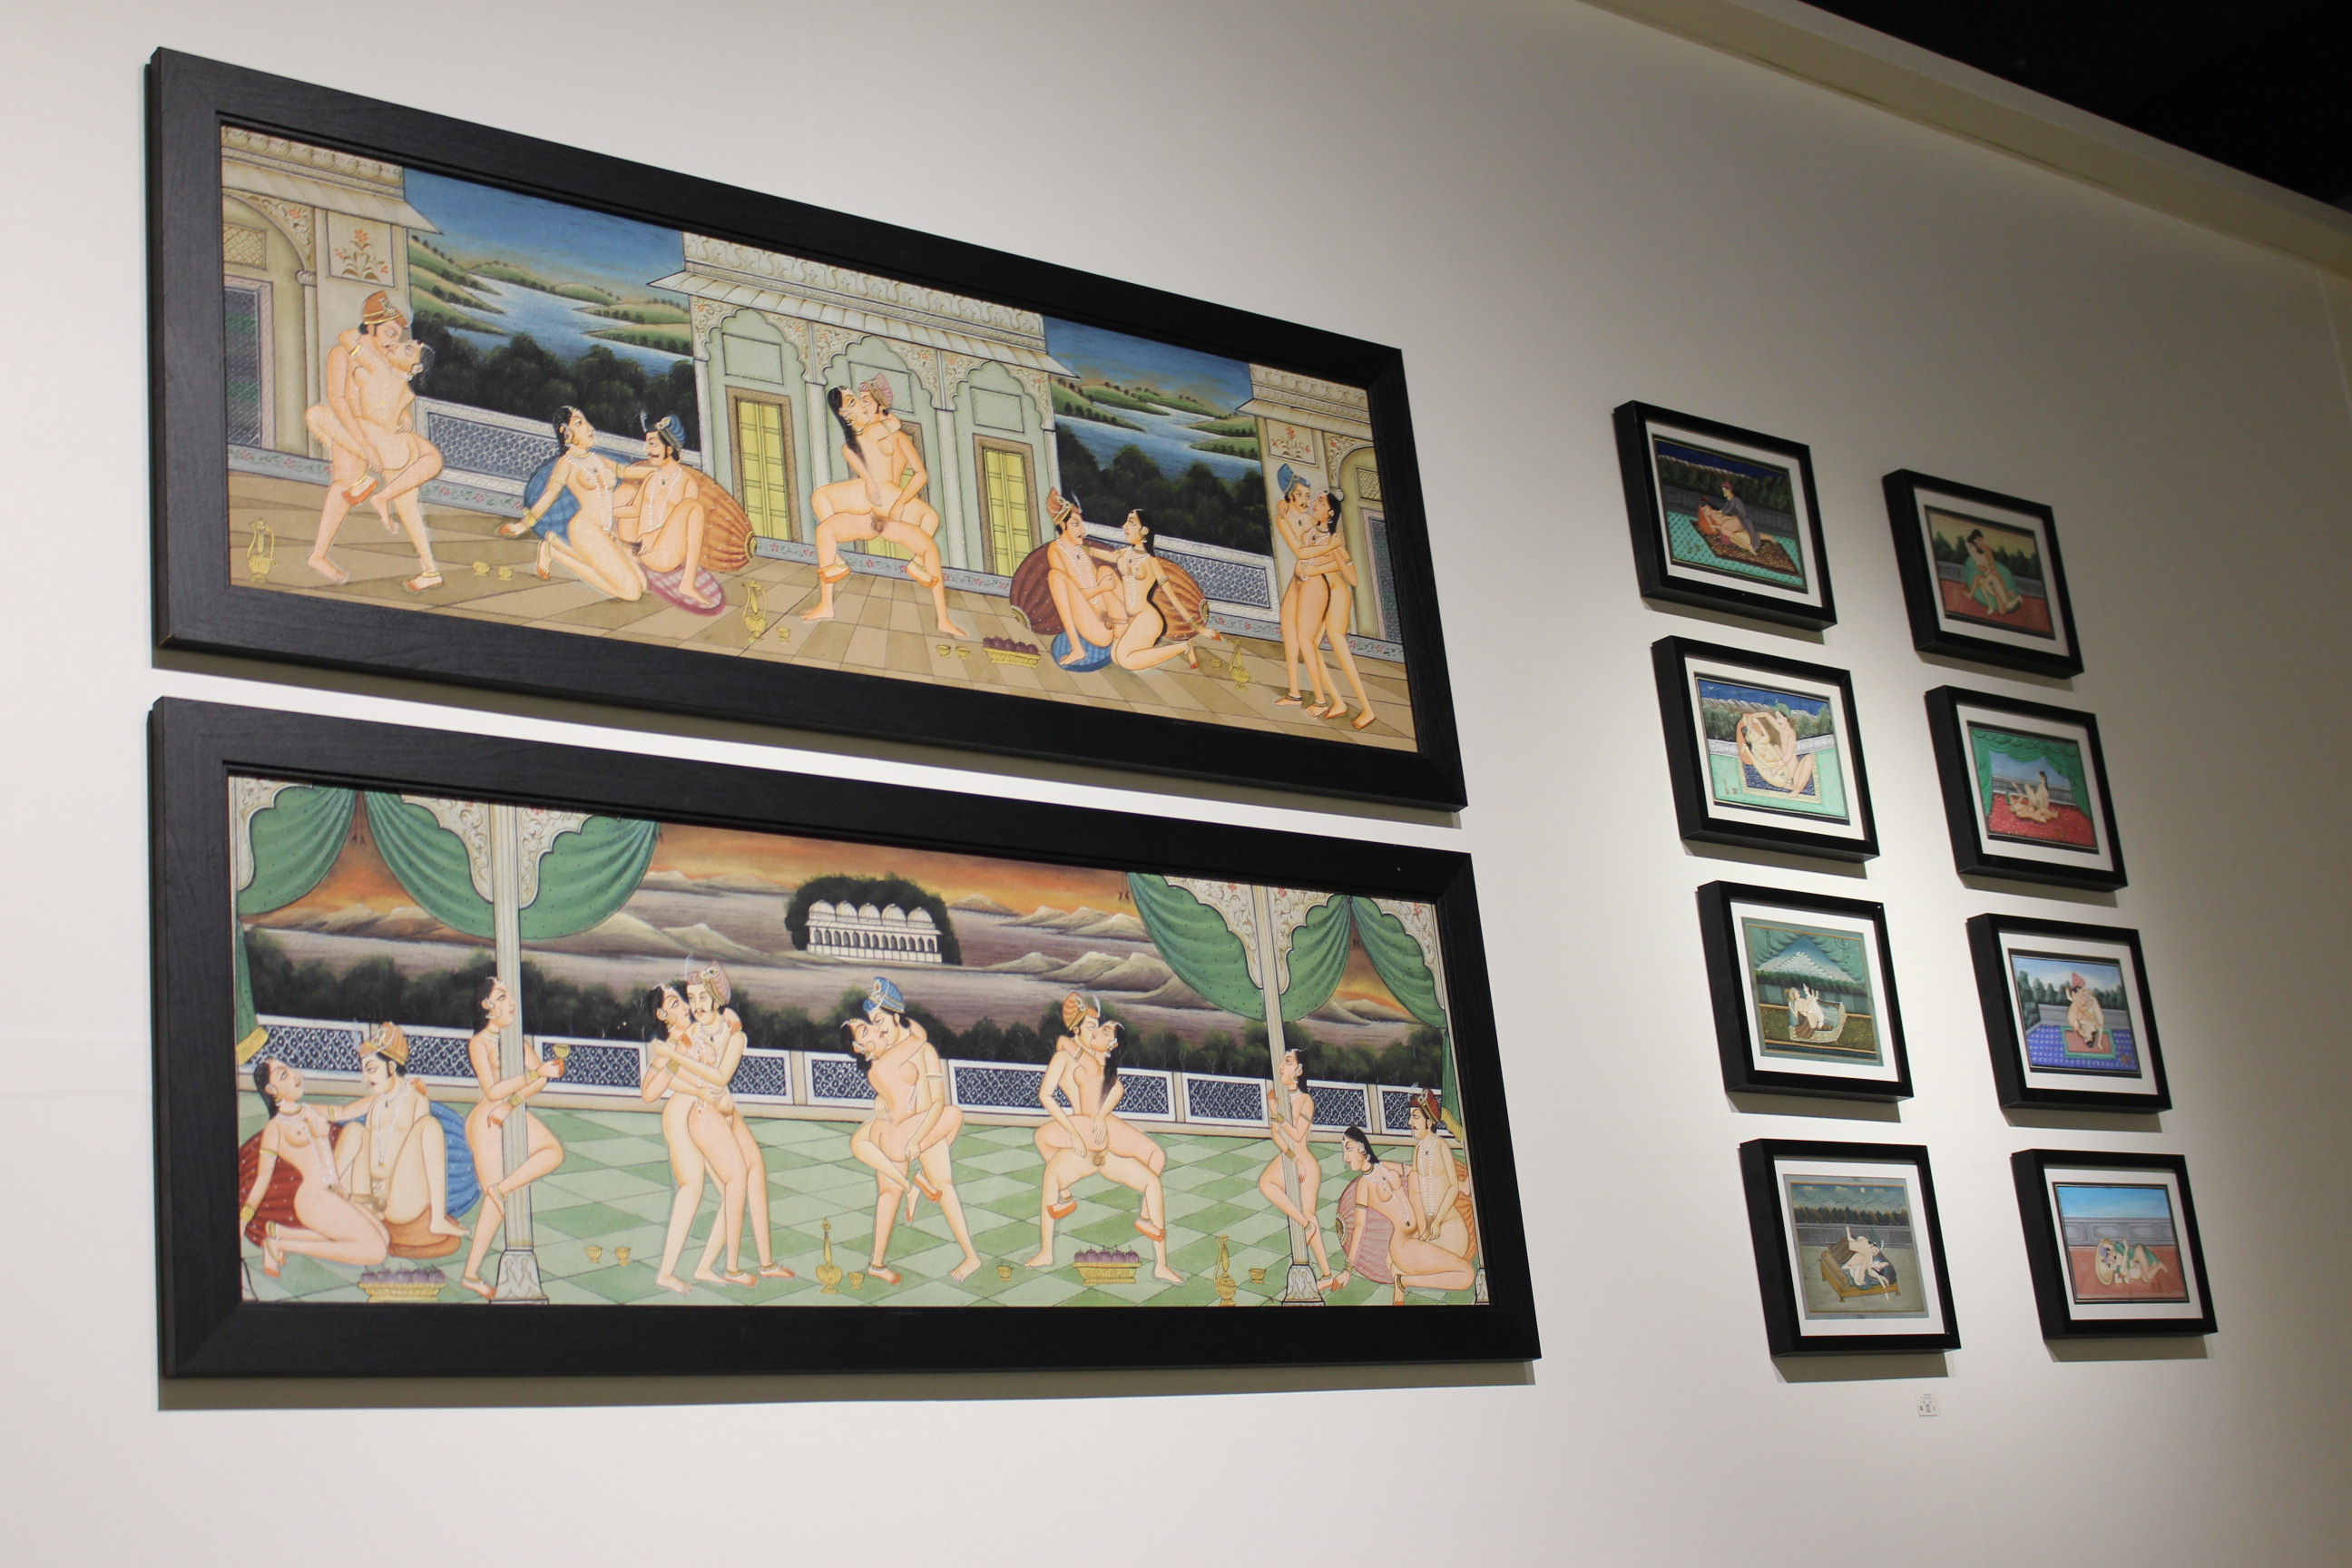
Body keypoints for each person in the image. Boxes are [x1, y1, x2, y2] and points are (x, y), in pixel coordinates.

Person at [1025, 993, 1181, 1284]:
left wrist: (1099, 1116)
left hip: (1101, 1134)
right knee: (1048, 1155)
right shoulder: (1071, 1057)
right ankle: (1050, 1240)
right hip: (1086, 1133)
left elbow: (1116, 1088)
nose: (1096, 1030)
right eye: (1092, 1027)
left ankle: (1157, 1253)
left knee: (1154, 1168)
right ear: (1077, 1030)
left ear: (1110, 1044)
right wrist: (1075, 1133)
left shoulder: (1100, 1062)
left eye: (1101, 1029)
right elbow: (1061, 1050)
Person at [302, 290, 446, 591]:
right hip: (354, 429)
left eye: (399, 337)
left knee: (407, 501)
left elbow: (393, 390)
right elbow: (338, 400)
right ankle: (319, 554)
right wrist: (361, 444)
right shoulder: (344, 354)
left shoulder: (387, 360)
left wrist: (402, 414)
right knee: (343, 486)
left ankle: (430, 568)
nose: (393, 342)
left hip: (384, 436)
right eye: (390, 334)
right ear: (371, 327)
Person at [800, 379, 966, 636]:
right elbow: (864, 469)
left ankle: (941, 614)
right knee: (824, 522)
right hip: (869, 505)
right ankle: (827, 598)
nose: (863, 405)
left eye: (866, 400)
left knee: (930, 529)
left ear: (880, 406)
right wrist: (869, 483)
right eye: (857, 401)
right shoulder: (853, 443)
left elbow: (919, 473)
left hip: (890, 504)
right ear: (845, 413)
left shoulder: (893, 435)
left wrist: (900, 503)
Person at [845, 978, 983, 1284]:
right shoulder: (885, 1052)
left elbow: (938, 1103)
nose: (878, 1029)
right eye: (872, 1023)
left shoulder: (923, 1050)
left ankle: (970, 1256)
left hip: (926, 1125)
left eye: (880, 1020)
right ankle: (877, 1263)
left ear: (896, 1016)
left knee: (944, 1185)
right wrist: (880, 1099)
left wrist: (919, 1139)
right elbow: (887, 1084)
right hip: (898, 1128)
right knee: (888, 1192)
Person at [679, 964, 793, 1284]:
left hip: (728, 1114)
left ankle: (766, 1263)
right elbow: (684, 1075)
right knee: (737, 1178)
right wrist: (680, 1058)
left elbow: (721, 1076)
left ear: (717, 999)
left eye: (703, 998)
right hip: (704, 1114)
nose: (697, 1005)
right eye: (692, 998)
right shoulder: (689, 1036)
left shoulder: (734, 1034)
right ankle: (731, 1268)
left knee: (756, 1172)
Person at [457, 975, 568, 1300]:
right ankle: (470, 1274)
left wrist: (517, 1099)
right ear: (487, 1005)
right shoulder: (479, 1043)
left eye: (511, 997)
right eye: (503, 997)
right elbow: (493, 1090)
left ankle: (501, 1189)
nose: (511, 1004)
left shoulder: (515, 1040)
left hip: (509, 1112)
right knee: (495, 1210)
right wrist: (534, 1074)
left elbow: (539, 1081)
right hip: (487, 1120)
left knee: (553, 1152)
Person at [240, 1057, 390, 1275]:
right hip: (312, 1199)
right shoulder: (275, 1127)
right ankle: (280, 1244)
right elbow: (263, 1178)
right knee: (376, 1251)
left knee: (384, 1237)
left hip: (332, 1193)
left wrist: (386, 1093)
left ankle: (281, 1234)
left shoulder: (309, 1110)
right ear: (271, 1089)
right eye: (284, 1075)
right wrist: (243, 1219)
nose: (295, 1076)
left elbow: (346, 1112)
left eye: (291, 1071)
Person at [331, 1024, 472, 1250]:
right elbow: (369, 1152)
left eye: (371, 1069)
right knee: (354, 1130)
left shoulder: (416, 1099)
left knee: (429, 1126)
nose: (366, 1078)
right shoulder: (376, 1106)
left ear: (391, 1066)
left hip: (400, 1199)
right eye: (364, 1071)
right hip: (370, 1197)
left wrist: (387, 1184)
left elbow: (417, 1161)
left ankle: (437, 1219)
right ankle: (328, 1193)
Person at [500, 406, 650, 602]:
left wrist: (663, 471)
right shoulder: (566, 463)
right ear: (566, 432)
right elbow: (549, 495)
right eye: (579, 423)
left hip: (604, 531)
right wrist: (524, 524)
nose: (590, 428)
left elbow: (626, 472)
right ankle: (555, 552)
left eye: (586, 422)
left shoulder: (596, 459)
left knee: (643, 584)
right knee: (632, 593)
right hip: (585, 531)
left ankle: (555, 545)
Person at [612, 413, 753, 612]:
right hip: (640, 547)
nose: (647, 450)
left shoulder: (687, 482)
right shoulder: (652, 478)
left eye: (653, 444)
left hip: (664, 555)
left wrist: (654, 535)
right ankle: (623, 549)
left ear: (669, 448)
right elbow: (635, 509)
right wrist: (603, 511)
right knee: (626, 491)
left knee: (693, 508)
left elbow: (682, 529)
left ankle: (687, 584)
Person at [1325, 1125, 1475, 1303]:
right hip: (1404, 1246)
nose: (1345, 1157)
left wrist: (1458, 1184)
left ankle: (1402, 1278)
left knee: (1415, 1178)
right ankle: (1404, 1281)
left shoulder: (1384, 1167)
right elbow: (1359, 1227)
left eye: (1348, 1149)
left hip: (1419, 1235)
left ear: (1361, 1147)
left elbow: (1418, 1174)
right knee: (1467, 1275)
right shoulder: (1363, 1186)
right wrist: (1347, 1270)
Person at [1008, 490, 1122, 669]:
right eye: (1075, 524)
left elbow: (1112, 562)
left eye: (1081, 524)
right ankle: (1077, 649)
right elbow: (1074, 596)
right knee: (1056, 577)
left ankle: (1130, 625)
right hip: (1097, 629)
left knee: (1105, 570)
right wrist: (1101, 589)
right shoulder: (1056, 550)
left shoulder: (1082, 550)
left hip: (1112, 619)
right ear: (1063, 525)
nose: (1082, 530)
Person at [1295, 488, 1377, 729]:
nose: (1315, 503)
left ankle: (1368, 709)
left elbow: (1353, 578)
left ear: (1331, 513)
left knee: (1338, 645)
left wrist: (1325, 560)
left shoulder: (1335, 540)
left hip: (1337, 594)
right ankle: (1338, 702)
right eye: (1316, 500)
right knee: (1310, 645)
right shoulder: (1309, 534)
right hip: (1319, 595)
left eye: (1321, 502)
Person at [1254, 1047, 1335, 1279]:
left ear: (1299, 1070)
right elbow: (1276, 1134)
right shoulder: (1278, 1098)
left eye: (1287, 1062)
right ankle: (1306, 1227)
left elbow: (1298, 1135)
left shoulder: (1306, 1100)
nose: (1281, 1066)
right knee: (1266, 1184)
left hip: (1306, 1163)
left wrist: (1277, 1113)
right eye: (1282, 1061)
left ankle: (1327, 1274)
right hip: (1291, 1157)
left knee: (1310, 1213)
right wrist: (1292, 1158)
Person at [1105, 510, 1214, 672]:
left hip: (1147, 619)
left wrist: (1197, 627)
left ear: (1144, 530)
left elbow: (1172, 597)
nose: (1124, 526)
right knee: (1115, 657)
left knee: (1125, 660)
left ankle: (1183, 647)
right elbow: (1103, 554)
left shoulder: (1151, 561)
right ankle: (1182, 647)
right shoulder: (1125, 553)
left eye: (1131, 523)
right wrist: (1079, 547)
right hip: (1132, 617)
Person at [1405, 1092, 1473, 1260]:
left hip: (1448, 1226)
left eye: (1415, 1117)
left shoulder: (1441, 1146)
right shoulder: (1418, 1150)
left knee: (1419, 1259)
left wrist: (1437, 1222)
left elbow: (1453, 1187)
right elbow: (1417, 1191)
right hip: (1429, 1229)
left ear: (1429, 1122)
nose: (1410, 1122)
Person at [1734, 709, 1815, 798]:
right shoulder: (1781, 730)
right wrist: (1753, 716)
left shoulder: (1791, 733)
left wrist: (1777, 767)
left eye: (1779, 717)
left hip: (1793, 772)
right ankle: (1789, 782)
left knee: (1809, 758)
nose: (1778, 720)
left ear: (1786, 718)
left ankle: (1797, 790)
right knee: (1776, 747)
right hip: (1783, 771)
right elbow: (1766, 715)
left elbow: (1789, 755)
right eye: (1777, 718)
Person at [1962, 528, 2024, 616]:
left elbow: (1992, 567)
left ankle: (2017, 598)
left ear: (1983, 539)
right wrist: (1982, 569)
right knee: (1980, 581)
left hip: (1993, 577)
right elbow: (1968, 544)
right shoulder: (1978, 553)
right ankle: (1991, 605)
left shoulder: (1986, 550)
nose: (1978, 543)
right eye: (1977, 541)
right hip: (1989, 577)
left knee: (2007, 606)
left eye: (1980, 540)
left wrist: (1985, 569)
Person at [1693, 478, 1758, 554]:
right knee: (1727, 533)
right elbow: (1722, 513)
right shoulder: (1723, 506)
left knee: (1726, 530)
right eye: (1704, 510)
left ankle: (1748, 545)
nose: (1724, 493)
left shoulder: (1733, 501)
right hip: (1731, 525)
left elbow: (1727, 513)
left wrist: (1718, 519)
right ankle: (1746, 545)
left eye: (1725, 491)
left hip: (1739, 520)